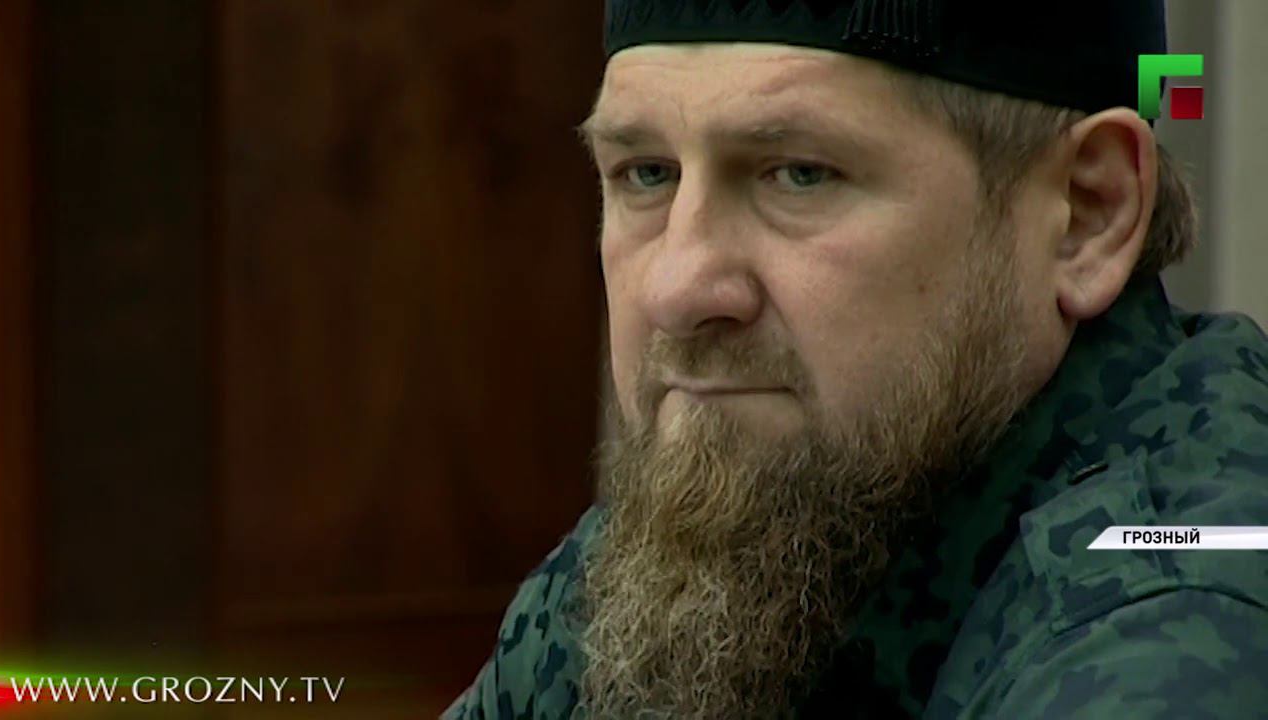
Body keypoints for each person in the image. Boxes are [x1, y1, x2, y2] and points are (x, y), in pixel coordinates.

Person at [445, 1, 1268, 717]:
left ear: (1087, 214)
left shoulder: (1179, 614)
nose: (675, 289)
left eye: (800, 175)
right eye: (646, 174)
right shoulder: (717, 529)